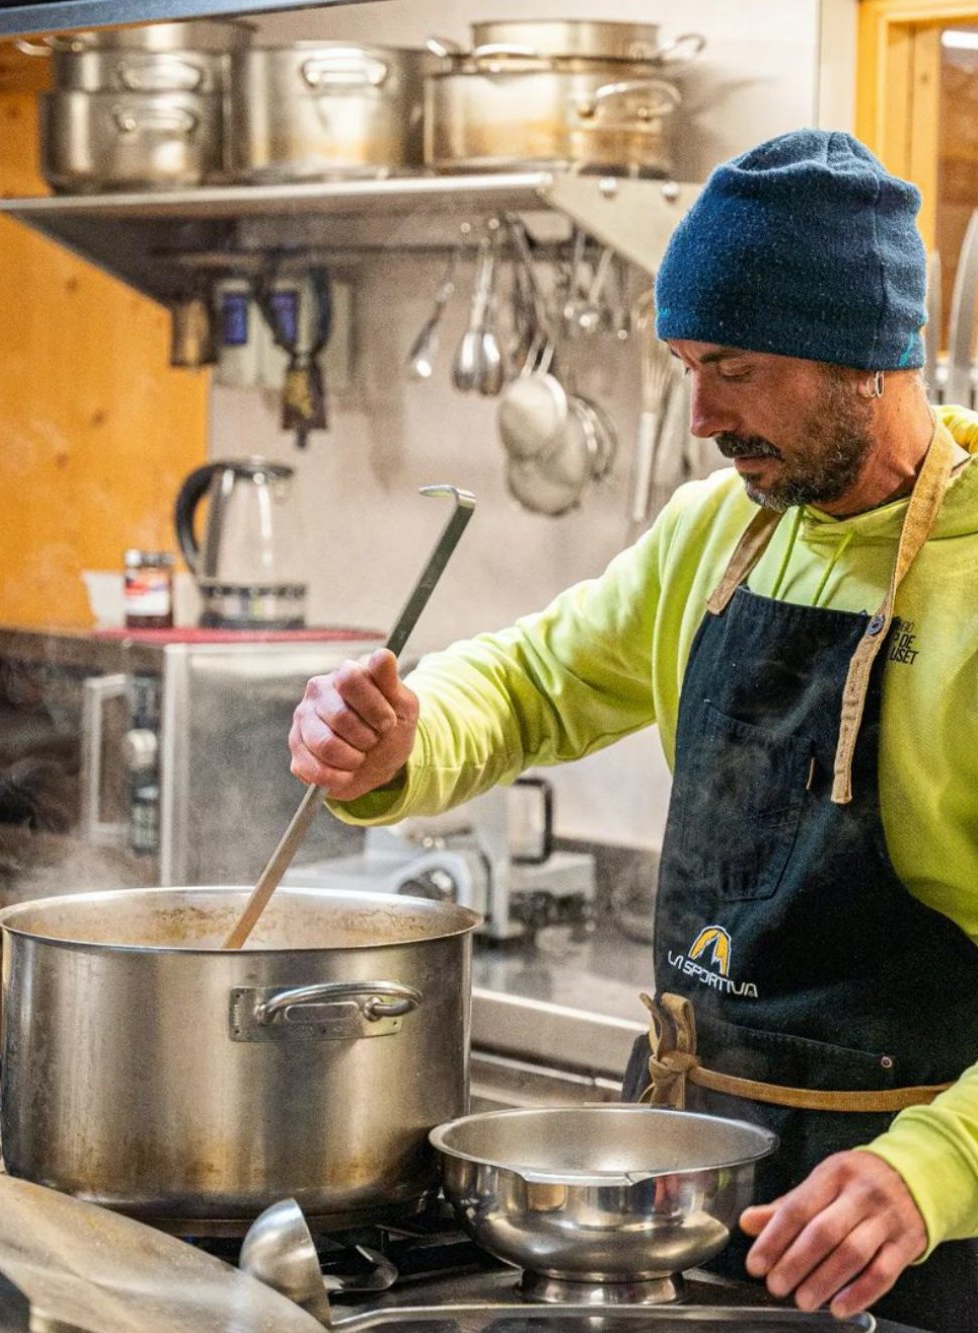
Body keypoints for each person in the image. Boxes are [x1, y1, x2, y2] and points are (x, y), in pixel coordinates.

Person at [286, 128, 978, 1329]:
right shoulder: (712, 532)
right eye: (685, 367)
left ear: (865, 358)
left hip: (911, 1231)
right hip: (692, 1180)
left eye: (733, 368)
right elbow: (529, 681)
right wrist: (400, 738)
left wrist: (937, 1167)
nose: (701, 415)